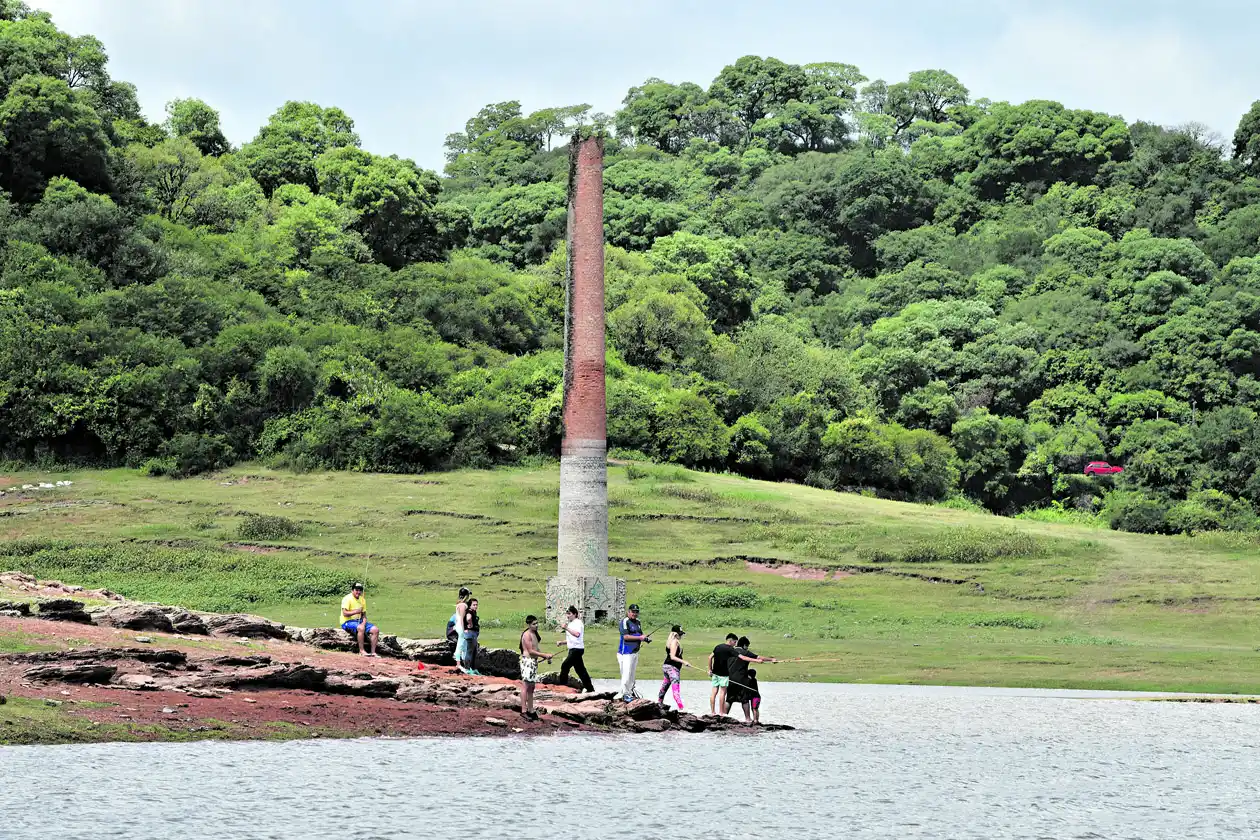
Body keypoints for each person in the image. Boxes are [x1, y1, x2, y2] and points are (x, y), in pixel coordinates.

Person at [726, 636, 776, 721]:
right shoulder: (745, 652)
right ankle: (748, 719)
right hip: (741, 679)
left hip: (729, 679)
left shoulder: (731, 651)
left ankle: (723, 716)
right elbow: (758, 657)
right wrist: (772, 659)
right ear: (744, 645)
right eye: (747, 646)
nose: (747, 648)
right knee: (744, 699)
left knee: (729, 699)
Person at [519, 615, 554, 721]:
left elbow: (536, 649)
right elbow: (530, 651)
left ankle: (531, 710)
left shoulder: (534, 634)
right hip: (527, 662)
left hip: (533, 662)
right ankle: (524, 711)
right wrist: (544, 655)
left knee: (532, 687)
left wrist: (546, 658)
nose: (536, 625)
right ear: (529, 624)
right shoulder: (527, 635)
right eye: (534, 624)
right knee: (525, 685)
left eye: (537, 623)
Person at [555, 605, 595, 693]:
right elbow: (572, 639)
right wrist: (562, 642)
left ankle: (562, 687)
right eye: (567, 614)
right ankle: (590, 688)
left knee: (565, 666)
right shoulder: (571, 624)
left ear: (575, 614)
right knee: (580, 670)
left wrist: (566, 628)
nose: (567, 616)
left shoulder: (578, 623)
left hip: (577, 650)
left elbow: (577, 634)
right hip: (573, 649)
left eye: (569, 614)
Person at [617, 603, 649, 702]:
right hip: (625, 652)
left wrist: (645, 638)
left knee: (632, 675)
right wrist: (640, 638)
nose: (634, 614)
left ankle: (630, 693)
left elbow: (640, 633)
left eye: (636, 612)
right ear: (628, 612)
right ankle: (625, 694)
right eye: (633, 612)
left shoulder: (638, 622)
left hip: (635, 652)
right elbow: (626, 637)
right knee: (626, 674)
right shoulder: (624, 621)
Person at [657, 625, 692, 710]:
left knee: (664, 687)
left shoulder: (670, 641)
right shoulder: (675, 642)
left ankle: (659, 703)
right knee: (676, 690)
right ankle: (681, 708)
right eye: (680, 634)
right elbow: (672, 656)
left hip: (666, 666)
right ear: (675, 634)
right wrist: (684, 662)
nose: (681, 636)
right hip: (672, 668)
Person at [340, 582, 378, 657]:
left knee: (375, 630)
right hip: (347, 621)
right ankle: (361, 650)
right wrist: (356, 611)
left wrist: (363, 623)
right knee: (361, 628)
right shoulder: (347, 598)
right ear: (352, 590)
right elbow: (345, 613)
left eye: (360, 590)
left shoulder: (362, 600)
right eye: (356, 590)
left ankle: (373, 652)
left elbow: (364, 615)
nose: (358, 592)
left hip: (359, 621)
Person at [708, 633, 738, 715]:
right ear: (730, 640)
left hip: (715, 673)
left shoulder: (718, 647)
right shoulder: (729, 649)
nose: (735, 644)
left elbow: (710, 657)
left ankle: (713, 712)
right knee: (722, 693)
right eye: (734, 642)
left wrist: (709, 669)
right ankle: (721, 712)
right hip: (724, 674)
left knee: (713, 692)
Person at [449, 587, 472, 674]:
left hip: (458, 625)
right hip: (461, 626)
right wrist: (464, 628)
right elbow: (462, 618)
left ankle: (463, 664)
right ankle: (458, 664)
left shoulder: (459, 604)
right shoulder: (463, 605)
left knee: (463, 644)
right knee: (461, 644)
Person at [463, 598, 481, 676]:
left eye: (476, 605)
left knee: (473, 651)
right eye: (474, 605)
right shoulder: (469, 611)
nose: (476, 606)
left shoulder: (473, 612)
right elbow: (468, 618)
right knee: (470, 651)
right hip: (470, 633)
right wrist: (470, 624)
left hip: (473, 633)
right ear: (470, 605)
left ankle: (472, 669)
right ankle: (467, 669)